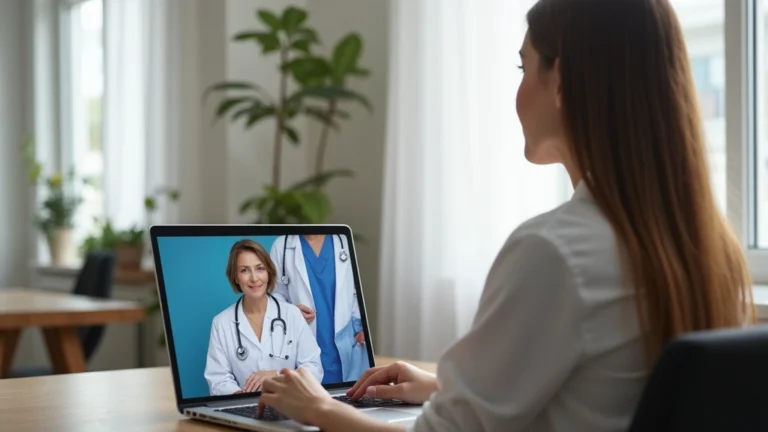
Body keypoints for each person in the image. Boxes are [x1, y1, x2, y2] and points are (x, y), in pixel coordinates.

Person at [253, 0, 757, 430]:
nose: (518, 92)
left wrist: (320, 408)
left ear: (561, 79)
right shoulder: (712, 250)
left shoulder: (556, 252)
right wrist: (445, 389)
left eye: (524, 68)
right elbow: (605, 394)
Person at [204, 239, 323, 396]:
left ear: (269, 272)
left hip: (290, 404)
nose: (254, 278)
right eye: (244, 270)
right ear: (235, 277)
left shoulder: (292, 314)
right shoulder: (221, 323)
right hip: (244, 407)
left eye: (260, 269)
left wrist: (278, 376)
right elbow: (218, 380)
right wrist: (240, 396)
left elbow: (313, 368)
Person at [269, 234, 368, 384]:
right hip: (305, 343)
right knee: (308, 394)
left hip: (347, 342)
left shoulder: (342, 240)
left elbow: (355, 292)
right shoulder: (282, 245)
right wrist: (291, 311)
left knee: (347, 396)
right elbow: (275, 294)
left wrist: (362, 327)